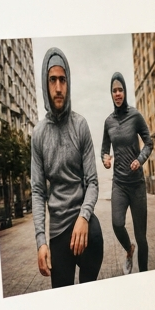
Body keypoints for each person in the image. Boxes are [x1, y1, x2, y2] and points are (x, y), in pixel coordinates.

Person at [31, 47, 103, 288]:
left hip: (82, 223)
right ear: (45, 83)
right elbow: (38, 191)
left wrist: (84, 216)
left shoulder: (80, 125)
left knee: (94, 234)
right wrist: (41, 240)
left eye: (63, 80)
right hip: (59, 230)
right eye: (53, 80)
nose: (58, 87)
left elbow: (92, 181)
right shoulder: (39, 134)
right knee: (62, 293)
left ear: (68, 82)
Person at [101, 72, 153, 274]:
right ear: (111, 94)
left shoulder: (135, 116)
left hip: (137, 185)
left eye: (120, 89)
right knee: (116, 224)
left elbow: (149, 143)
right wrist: (105, 159)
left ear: (125, 91)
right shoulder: (108, 122)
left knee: (142, 237)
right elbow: (104, 150)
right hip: (119, 184)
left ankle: (145, 276)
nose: (117, 93)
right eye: (114, 90)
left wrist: (140, 160)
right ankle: (128, 249)